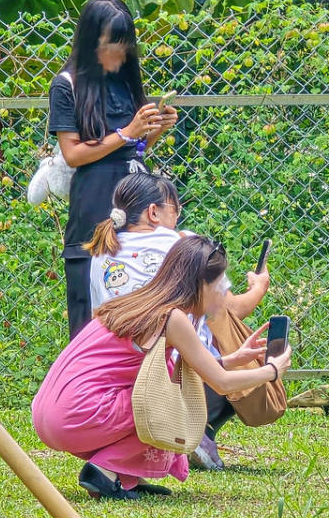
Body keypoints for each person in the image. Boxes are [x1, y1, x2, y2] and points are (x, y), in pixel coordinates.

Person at [31, 235, 292, 500]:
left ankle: (124, 476)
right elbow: (221, 383)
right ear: (200, 285)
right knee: (171, 402)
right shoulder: (172, 317)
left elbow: (198, 369)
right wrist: (272, 371)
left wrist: (234, 358)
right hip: (77, 414)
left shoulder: (144, 301)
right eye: (219, 284)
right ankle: (104, 471)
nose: (222, 293)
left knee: (167, 383)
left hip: (50, 413)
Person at [84, 172, 270, 470]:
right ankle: (198, 429)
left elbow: (99, 317)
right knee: (235, 347)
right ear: (153, 212)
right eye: (175, 209)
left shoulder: (101, 253)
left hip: (116, 374)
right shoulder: (182, 243)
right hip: (172, 374)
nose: (179, 217)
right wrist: (259, 288)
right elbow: (229, 309)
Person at [49, 0, 178, 339]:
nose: (119, 54)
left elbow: (134, 151)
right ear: (92, 42)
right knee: (89, 316)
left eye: (125, 46)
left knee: (144, 305)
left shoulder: (124, 81)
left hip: (136, 197)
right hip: (93, 202)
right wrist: (126, 132)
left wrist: (154, 131)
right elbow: (73, 154)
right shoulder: (67, 84)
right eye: (112, 45)